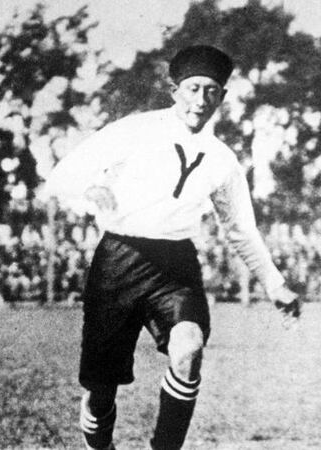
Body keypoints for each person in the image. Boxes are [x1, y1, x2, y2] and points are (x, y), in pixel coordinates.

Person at [44, 45, 301, 450]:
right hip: (118, 261)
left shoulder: (222, 160)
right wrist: (89, 191)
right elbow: (61, 177)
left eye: (212, 91)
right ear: (173, 90)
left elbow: (241, 229)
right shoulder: (135, 130)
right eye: (194, 88)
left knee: (189, 349)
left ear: (222, 96)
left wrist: (274, 283)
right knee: (101, 389)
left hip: (176, 265)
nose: (201, 100)